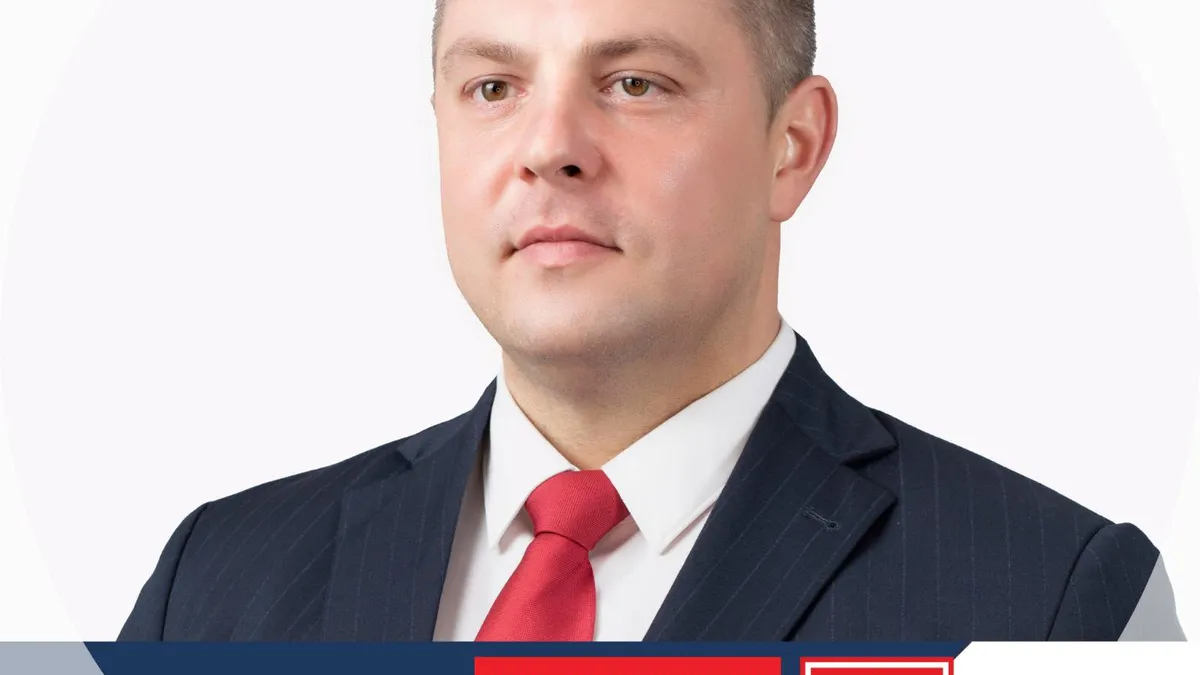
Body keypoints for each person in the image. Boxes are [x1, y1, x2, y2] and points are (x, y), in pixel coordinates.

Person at [118, 0, 1185, 642]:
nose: (550, 147)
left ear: (793, 146)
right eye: (493, 88)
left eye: (635, 83)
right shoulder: (216, 582)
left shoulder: (1053, 600)